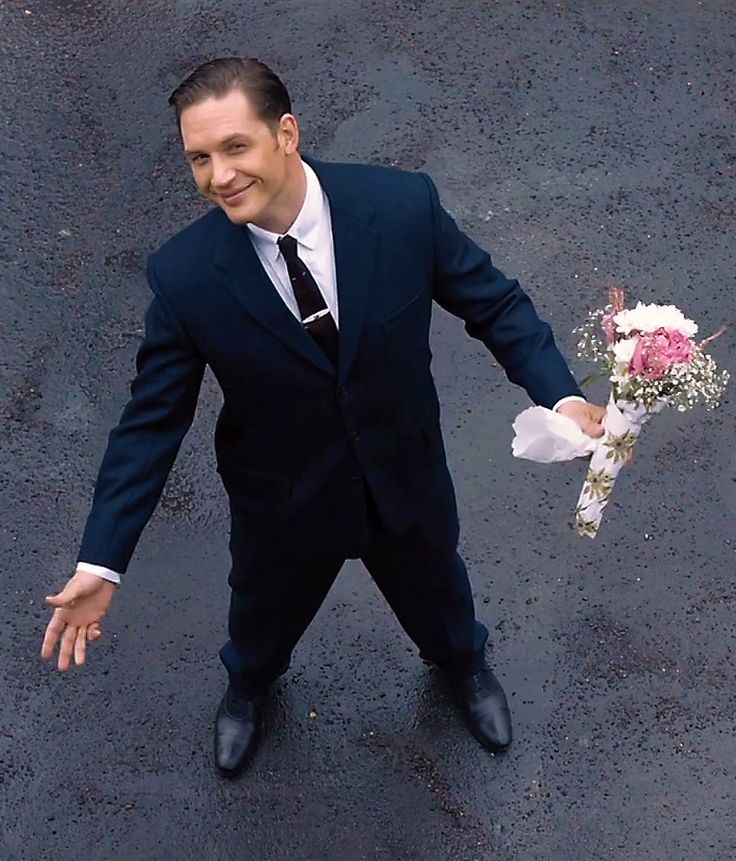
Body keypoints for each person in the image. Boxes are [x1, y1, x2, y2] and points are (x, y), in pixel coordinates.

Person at [41, 57, 605, 778]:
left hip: (405, 477)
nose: (218, 176)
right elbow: (150, 424)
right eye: (199, 158)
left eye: (235, 147)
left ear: (286, 133)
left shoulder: (401, 208)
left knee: (440, 595)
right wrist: (102, 559)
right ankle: (248, 687)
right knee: (260, 623)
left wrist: (561, 397)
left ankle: (463, 665)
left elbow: (494, 304)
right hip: (281, 501)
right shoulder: (183, 276)